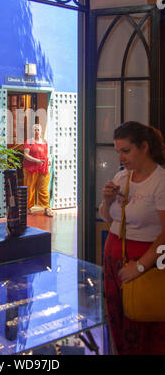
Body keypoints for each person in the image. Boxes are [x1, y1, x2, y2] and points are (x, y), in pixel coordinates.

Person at [99, 121, 165, 355]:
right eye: (118, 152)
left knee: (144, 322)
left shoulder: (160, 181)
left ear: (144, 147)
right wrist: (107, 200)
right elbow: (108, 218)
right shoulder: (121, 177)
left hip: (144, 261)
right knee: (117, 318)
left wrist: (140, 265)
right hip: (113, 258)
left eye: (126, 151)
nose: (121, 158)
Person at [23, 124, 53, 217]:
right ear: (32, 131)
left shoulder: (44, 142)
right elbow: (26, 155)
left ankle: (47, 208)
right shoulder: (29, 142)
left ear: (41, 131)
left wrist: (49, 159)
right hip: (31, 168)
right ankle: (27, 207)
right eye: (35, 130)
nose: (37, 132)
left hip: (43, 168)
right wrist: (36, 160)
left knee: (43, 189)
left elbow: (46, 153)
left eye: (38, 130)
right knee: (30, 188)